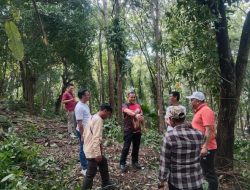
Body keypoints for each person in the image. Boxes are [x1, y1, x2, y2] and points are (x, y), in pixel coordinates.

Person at [158, 106, 204, 190]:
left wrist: (161, 182)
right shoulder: (199, 134)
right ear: (184, 118)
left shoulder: (169, 136)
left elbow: (164, 162)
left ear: (171, 119)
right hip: (196, 181)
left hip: (178, 183)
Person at [187, 91, 218, 190]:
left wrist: (205, 147)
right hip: (200, 147)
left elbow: (209, 130)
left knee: (209, 173)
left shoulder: (206, 110)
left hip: (207, 148)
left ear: (197, 101)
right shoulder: (199, 111)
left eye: (192, 99)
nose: (190, 101)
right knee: (203, 172)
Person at [82, 103, 116, 190]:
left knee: (103, 161)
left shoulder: (93, 117)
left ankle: (106, 183)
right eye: (108, 114)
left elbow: (85, 133)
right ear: (105, 111)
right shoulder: (98, 120)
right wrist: (97, 154)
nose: (107, 117)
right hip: (92, 150)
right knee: (90, 173)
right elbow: (96, 138)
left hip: (88, 147)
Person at [119, 91, 146, 173]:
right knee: (126, 147)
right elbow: (127, 111)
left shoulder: (138, 106)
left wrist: (144, 127)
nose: (133, 98)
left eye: (134, 97)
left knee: (136, 147)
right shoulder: (125, 105)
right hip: (129, 130)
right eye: (131, 97)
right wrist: (135, 114)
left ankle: (135, 162)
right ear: (128, 97)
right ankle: (122, 163)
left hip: (137, 130)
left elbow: (141, 116)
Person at [75, 90, 91, 176]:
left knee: (86, 148)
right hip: (82, 131)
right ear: (82, 96)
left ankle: (87, 164)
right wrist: (82, 135)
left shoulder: (85, 105)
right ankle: (84, 168)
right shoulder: (79, 107)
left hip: (87, 130)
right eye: (87, 95)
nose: (89, 96)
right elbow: (79, 123)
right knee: (83, 149)